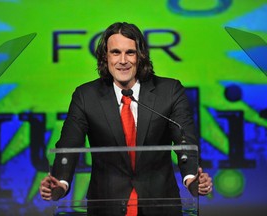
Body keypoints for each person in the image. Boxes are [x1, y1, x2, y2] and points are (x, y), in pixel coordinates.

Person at [39, 22, 212, 216]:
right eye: (115, 52)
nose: (123, 60)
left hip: (159, 204)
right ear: (105, 56)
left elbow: (184, 140)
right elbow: (69, 146)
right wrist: (59, 184)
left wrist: (192, 179)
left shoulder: (169, 91)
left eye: (130, 52)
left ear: (141, 56)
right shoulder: (86, 96)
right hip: (106, 206)